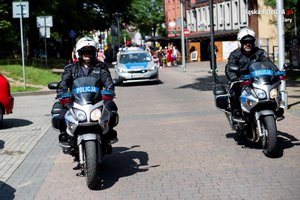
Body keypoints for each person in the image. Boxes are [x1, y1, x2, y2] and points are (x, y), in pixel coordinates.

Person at [52, 36, 118, 146]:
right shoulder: (71, 68)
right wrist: (61, 92)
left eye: (90, 52)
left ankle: (108, 134)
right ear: (79, 53)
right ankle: (66, 136)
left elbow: (108, 81)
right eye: (84, 52)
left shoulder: (100, 67)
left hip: (96, 101)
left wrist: (110, 89)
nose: (87, 55)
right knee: (60, 114)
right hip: (76, 102)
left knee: (111, 109)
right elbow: (64, 82)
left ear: (94, 53)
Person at [225, 27, 279, 121]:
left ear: (253, 42)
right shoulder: (235, 54)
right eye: (245, 42)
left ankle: (276, 107)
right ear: (240, 42)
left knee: (273, 88)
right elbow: (230, 68)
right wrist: (233, 77)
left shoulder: (260, 53)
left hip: (258, 79)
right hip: (242, 81)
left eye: (250, 41)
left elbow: (269, 64)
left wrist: (277, 71)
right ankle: (237, 112)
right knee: (234, 91)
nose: (248, 44)